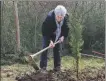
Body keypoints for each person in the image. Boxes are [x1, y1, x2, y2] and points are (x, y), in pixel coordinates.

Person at [40, 5, 69, 72]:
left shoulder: (66, 17)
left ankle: (57, 66)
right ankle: (43, 67)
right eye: (58, 17)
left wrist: (63, 36)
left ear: (64, 16)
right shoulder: (49, 18)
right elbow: (45, 31)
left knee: (57, 49)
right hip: (48, 33)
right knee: (45, 48)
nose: (59, 18)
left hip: (58, 33)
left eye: (61, 17)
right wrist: (50, 41)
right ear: (55, 14)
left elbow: (66, 28)